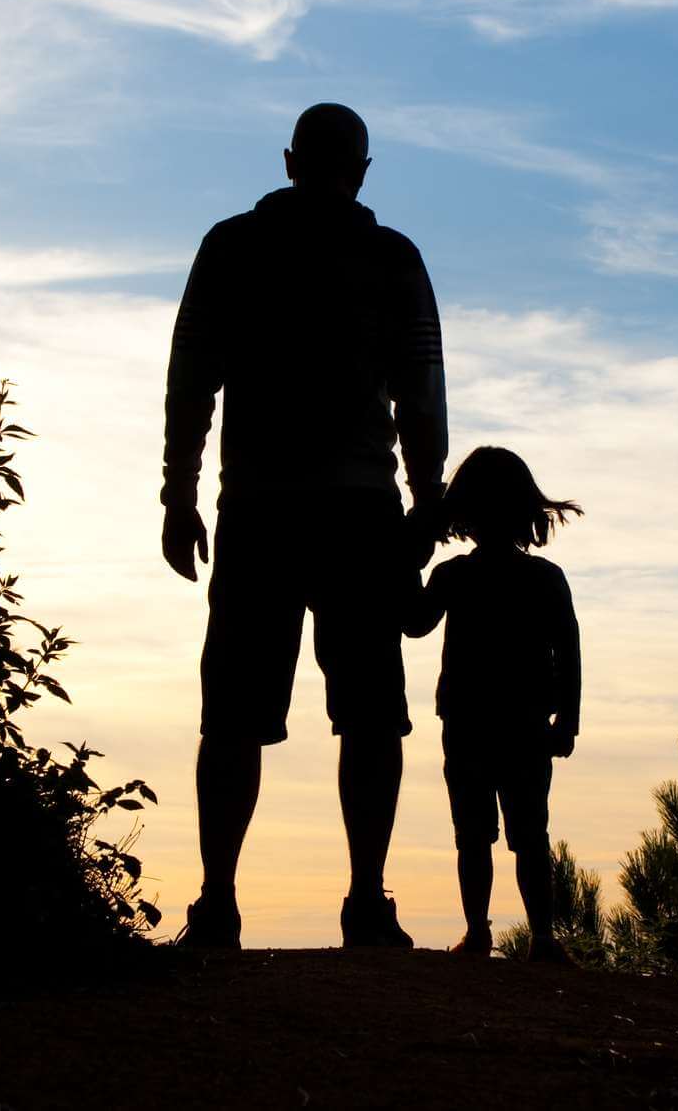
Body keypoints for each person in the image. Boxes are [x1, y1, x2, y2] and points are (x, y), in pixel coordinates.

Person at [161, 103, 447, 949]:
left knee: (237, 713)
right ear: (363, 170)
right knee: (369, 712)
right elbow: (422, 391)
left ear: (289, 160)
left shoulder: (232, 246)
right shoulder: (392, 258)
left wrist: (178, 492)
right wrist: (428, 498)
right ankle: (363, 900)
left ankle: (219, 901)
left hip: (261, 507)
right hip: (357, 511)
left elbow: (190, 380)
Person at [404, 446, 582, 962]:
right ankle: (539, 937)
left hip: (472, 723)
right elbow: (569, 652)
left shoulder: (454, 575)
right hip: (519, 723)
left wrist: (408, 557)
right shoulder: (543, 577)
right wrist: (567, 721)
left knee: (476, 834)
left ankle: (483, 933)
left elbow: (412, 622)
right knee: (526, 833)